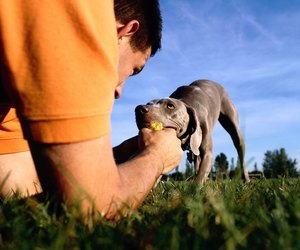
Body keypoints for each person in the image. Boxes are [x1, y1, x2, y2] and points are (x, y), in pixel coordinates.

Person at [0, 0, 183, 219]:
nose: (119, 91)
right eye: (134, 70)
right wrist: (156, 156)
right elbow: (91, 206)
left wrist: (115, 156)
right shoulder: (75, 11)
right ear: (124, 33)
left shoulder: (11, 95)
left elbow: (22, 183)